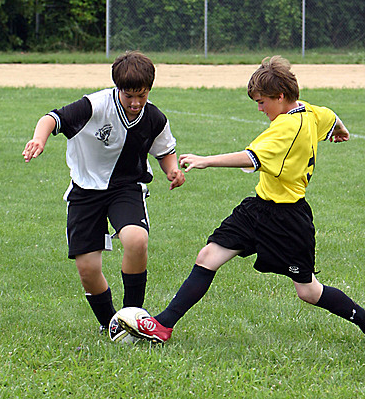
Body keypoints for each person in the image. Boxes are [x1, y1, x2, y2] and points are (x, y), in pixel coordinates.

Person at [117, 55, 365, 343]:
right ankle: (162, 325)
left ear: (280, 96)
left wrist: (205, 160)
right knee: (208, 256)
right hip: (258, 209)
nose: (260, 108)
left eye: (262, 102)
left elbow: (249, 157)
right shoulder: (308, 112)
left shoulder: (285, 128)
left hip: (288, 219)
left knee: (308, 291)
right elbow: (330, 116)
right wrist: (340, 128)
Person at [22, 51, 185, 334]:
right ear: (117, 88)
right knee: (87, 268)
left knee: (136, 239)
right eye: (129, 95)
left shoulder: (154, 118)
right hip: (85, 191)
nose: (136, 103)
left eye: (142, 95)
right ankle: (111, 324)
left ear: (149, 89)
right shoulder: (93, 106)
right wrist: (39, 138)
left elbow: (164, 151)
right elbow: (51, 118)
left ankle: (133, 318)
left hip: (125, 187)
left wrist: (172, 170)